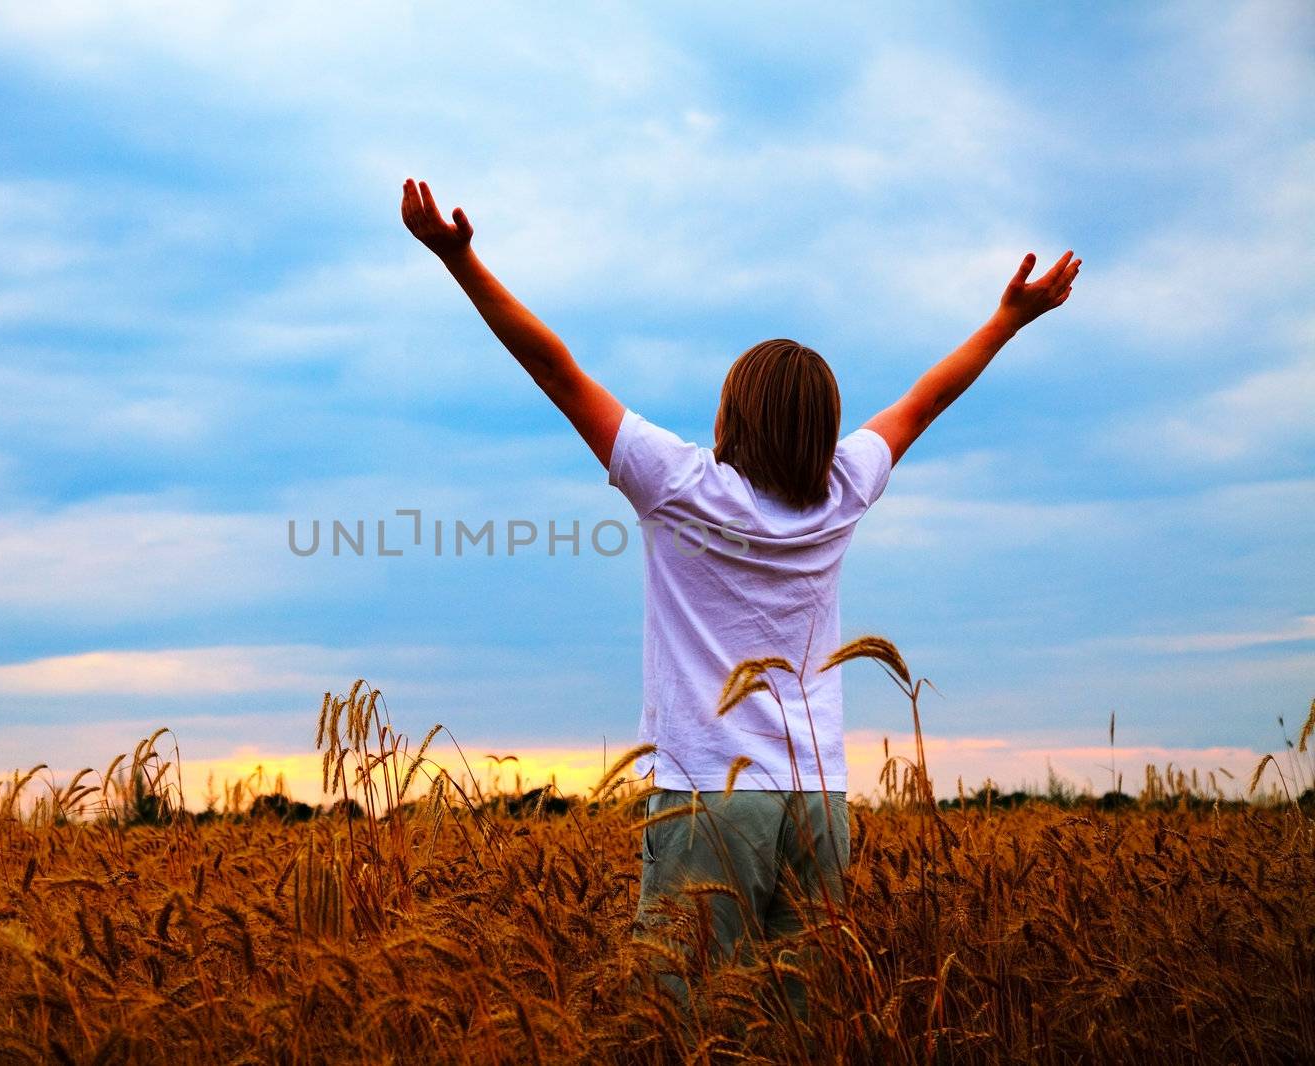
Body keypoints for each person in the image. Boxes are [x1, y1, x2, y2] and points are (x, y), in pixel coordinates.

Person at [400, 177, 1079, 1020]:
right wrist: (1010, 320)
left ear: (733, 415)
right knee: (801, 1030)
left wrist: (461, 262)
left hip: (707, 802)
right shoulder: (845, 489)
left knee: (686, 1028)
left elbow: (554, 367)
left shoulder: (681, 486)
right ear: (824, 429)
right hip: (820, 801)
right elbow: (926, 399)